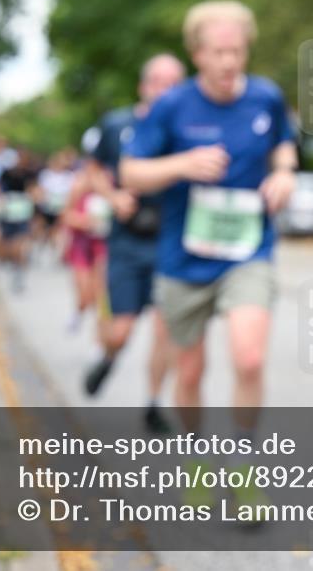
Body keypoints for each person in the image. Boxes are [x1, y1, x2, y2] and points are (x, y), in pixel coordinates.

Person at [121, 0, 297, 514]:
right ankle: (196, 461)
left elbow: (283, 147)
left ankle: (243, 466)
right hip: (184, 258)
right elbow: (131, 174)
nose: (228, 62)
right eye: (218, 52)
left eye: (237, 51)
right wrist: (182, 164)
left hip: (248, 251)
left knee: (249, 355)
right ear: (197, 54)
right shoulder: (171, 107)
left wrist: (284, 173)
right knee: (191, 373)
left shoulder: (265, 97)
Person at [83, 53, 186, 435]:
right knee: (122, 329)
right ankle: (108, 356)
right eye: (159, 81)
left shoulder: (187, 130)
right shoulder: (117, 125)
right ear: (144, 86)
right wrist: (112, 197)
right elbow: (92, 170)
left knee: (165, 329)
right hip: (127, 242)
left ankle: (154, 403)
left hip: (170, 242)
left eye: (174, 83)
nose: (166, 90)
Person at [62, 146, 110, 335]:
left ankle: (100, 342)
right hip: (81, 244)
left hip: (102, 245)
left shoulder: (110, 182)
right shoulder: (78, 184)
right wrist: (84, 222)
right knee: (86, 294)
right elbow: (66, 215)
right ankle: (78, 311)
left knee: (101, 297)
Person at [0, 148, 38, 293]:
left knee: (20, 245)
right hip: (8, 215)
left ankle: (19, 271)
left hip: (22, 215)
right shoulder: (5, 174)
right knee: (9, 246)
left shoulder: (28, 174)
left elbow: (33, 191)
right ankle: (15, 267)